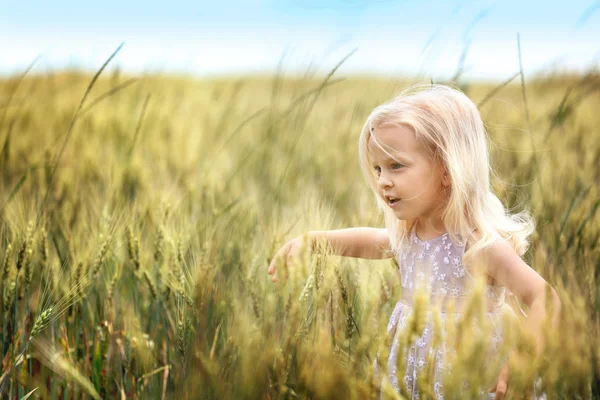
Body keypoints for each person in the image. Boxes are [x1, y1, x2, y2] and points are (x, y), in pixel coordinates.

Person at [267, 84, 561, 399]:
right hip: (412, 373)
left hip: (468, 375)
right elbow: (370, 241)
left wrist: (524, 361)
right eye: (378, 168)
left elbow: (545, 298)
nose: (382, 180)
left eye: (396, 165)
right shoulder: (409, 235)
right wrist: (314, 241)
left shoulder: (476, 246)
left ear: (447, 169)